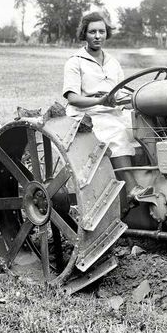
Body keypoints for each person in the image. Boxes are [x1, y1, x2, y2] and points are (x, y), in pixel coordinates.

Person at [62, 11, 152, 202]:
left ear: (106, 33)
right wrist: (98, 101)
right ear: (84, 34)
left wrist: (139, 99)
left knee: (144, 125)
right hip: (86, 114)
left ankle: (153, 178)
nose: (97, 36)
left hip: (112, 111)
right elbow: (72, 98)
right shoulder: (75, 61)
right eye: (92, 32)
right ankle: (131, 187)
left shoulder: (113, 62)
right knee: (117, 131)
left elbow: (120, 94)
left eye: (101, 32)